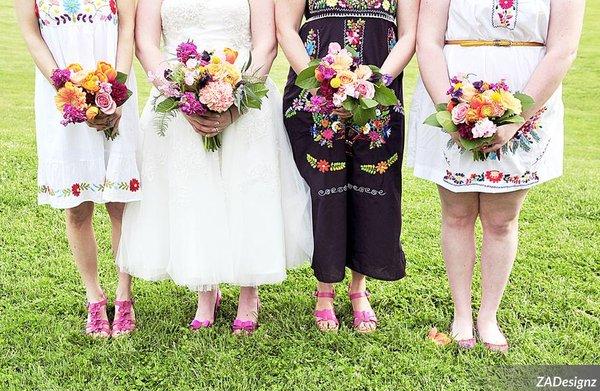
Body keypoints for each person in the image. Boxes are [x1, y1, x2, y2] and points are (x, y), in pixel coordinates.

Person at [118, 0, 313, 335]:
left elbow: (265, 44)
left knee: (247, 189)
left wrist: (236, 103)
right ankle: (205, 290)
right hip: (179, 99)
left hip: (245, 95)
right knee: (195, 190)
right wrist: (180, 95)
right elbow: (146, 43)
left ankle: (249, 292)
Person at [409, 0, 584, 351]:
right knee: (456, 214)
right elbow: (427, 41)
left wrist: (517, 118)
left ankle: (488, 315)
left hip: (526, 101)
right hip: (453, 94)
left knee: (501, 219)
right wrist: (451, 110)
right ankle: (461, 314)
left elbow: (563, 48)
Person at [277, 0, 419, 332]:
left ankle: (359, 288)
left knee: (372, 188)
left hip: (379, 93)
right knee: (324, 188)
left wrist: (371, 87)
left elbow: (409, 33)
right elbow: (286, 27)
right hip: (316, 94)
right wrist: (323, 87)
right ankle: (324, 290)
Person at [15, 0, 141, 338]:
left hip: (115, 96)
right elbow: (31, 33)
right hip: (62, 99)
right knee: (78, 208)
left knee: (119, 204)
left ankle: (124, 295)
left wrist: (117, 93)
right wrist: (68, 89)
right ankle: (94, 298)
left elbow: (126, 31)